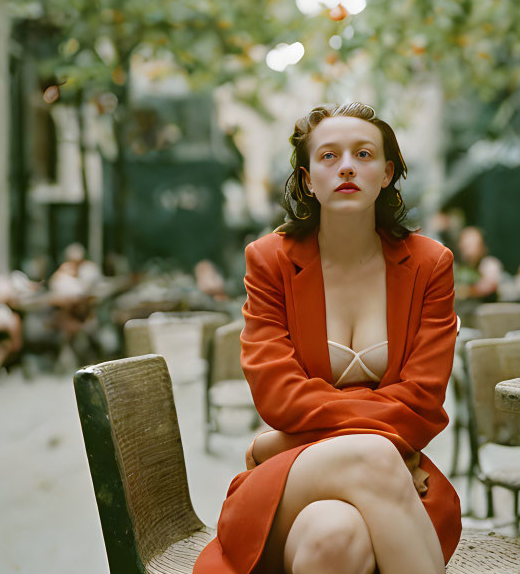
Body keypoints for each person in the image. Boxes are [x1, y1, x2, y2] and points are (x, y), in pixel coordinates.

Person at [194, 103, 461, 574]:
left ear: (386, 173)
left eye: (363, 154)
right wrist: (364, 439)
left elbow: (422, 403)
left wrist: (279, 440)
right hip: (296, 480)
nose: (347, 167)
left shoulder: (429, 266)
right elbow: (279, 397)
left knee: (333, 540)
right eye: (329, 157)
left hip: (380, 483)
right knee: (374, 453)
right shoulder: (269, 261)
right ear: (307, 179)